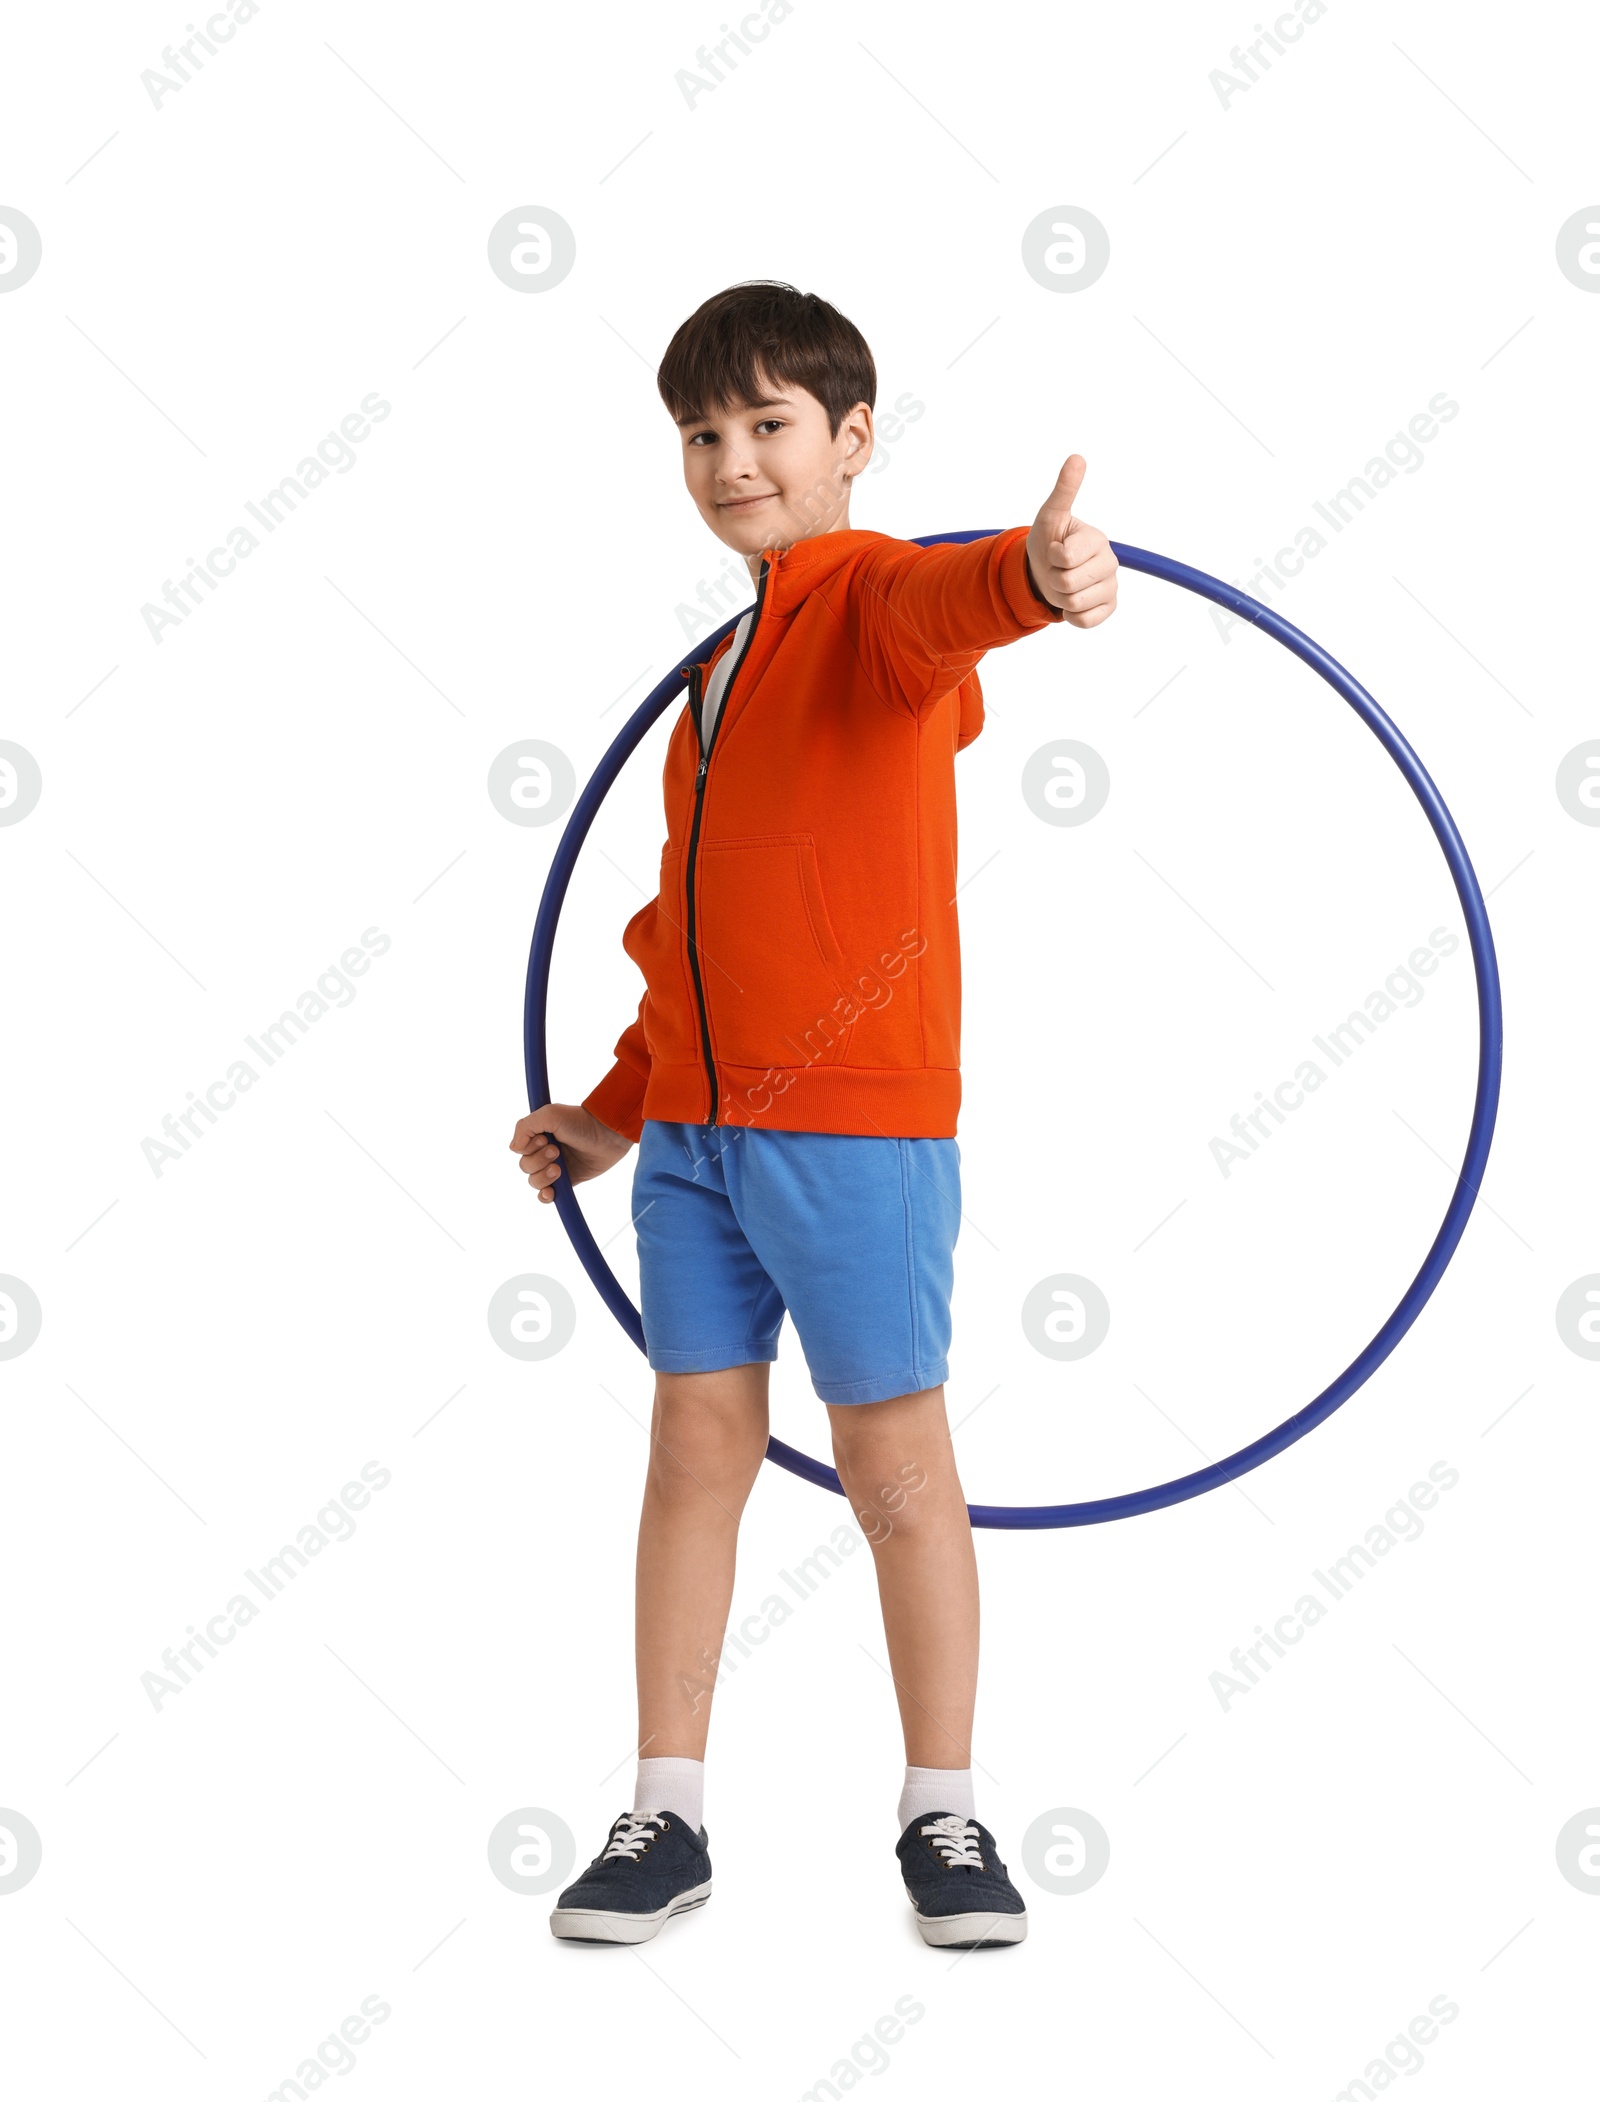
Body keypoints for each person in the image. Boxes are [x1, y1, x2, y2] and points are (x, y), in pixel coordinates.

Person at [510, 280, 1118, 1949]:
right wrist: (619, 1111)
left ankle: (948, 1814)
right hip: (696, 1142)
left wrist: (1043, 575)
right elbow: (686, 929)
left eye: (768, 425)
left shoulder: (866, 604)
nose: (729, 459)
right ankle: (667, 1808)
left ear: (852, 440)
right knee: (694, 1445)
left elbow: (962, 600)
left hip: (856, 1131)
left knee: (893, 1461)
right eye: (702, 434)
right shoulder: (713, 677)